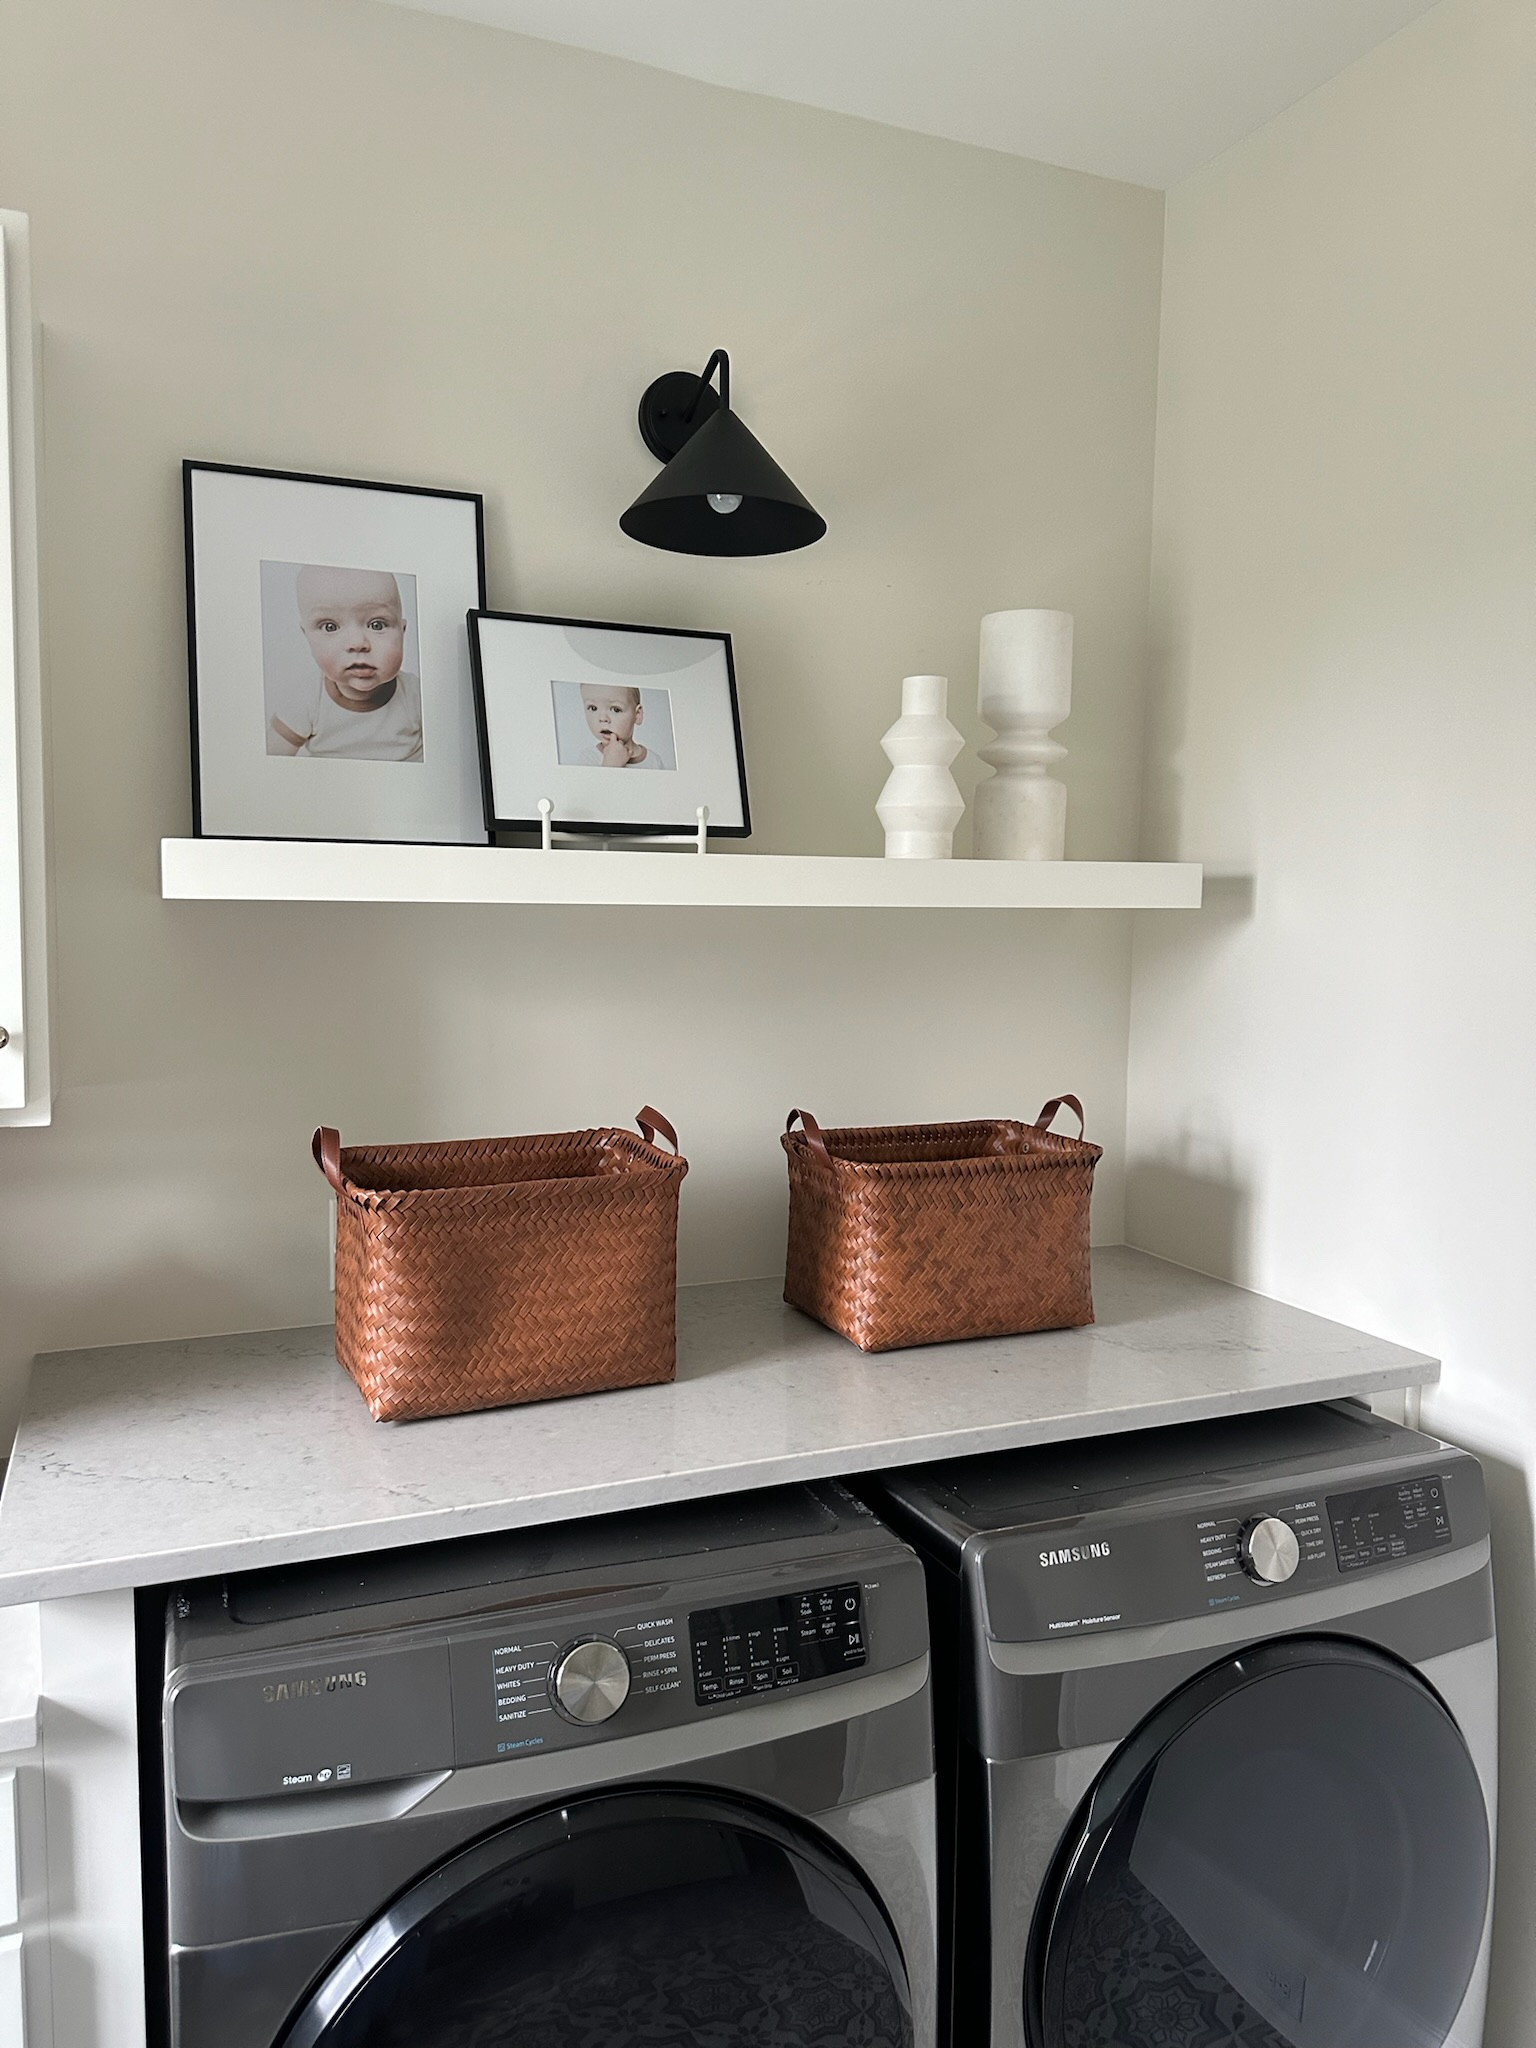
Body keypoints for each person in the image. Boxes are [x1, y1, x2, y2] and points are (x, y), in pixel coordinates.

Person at [269, 565, 423, 761]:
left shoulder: (416, 696)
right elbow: (269, 763)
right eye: (330, 626)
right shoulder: (307, 698)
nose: (357, 643)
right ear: (306, 635)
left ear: (402, 631)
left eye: (377, 625)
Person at [579, 683, 664, 768]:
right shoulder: (588, 759)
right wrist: (610, 765)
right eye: (593, 708)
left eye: (616, 709)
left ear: (637, 715)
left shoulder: (653, 761)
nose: (603, 718)